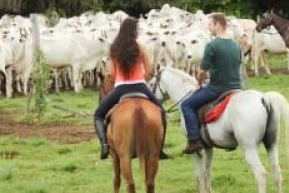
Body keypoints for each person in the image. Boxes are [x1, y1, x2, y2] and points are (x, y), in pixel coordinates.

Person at [93, 17, 170, 160]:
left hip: (121, 88)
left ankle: (104, 145)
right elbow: (148, 70)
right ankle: (159, 149)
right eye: (138, 29)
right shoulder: (141, 48)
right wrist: (141, 79)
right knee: (162, 112)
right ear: (133, 31)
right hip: (140, 86)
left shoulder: (114, 49)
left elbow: (113, 74)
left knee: (98, 114)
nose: (139, 31)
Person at [180, 13, 243, 154]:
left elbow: (202, 71)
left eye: (210, 24)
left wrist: (199, 83)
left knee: (186, 105)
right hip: (237, 87)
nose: (208, 27)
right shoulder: (236, 45)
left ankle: (194, 140)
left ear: (218, 25)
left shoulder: (212, 45)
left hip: (218, 88)